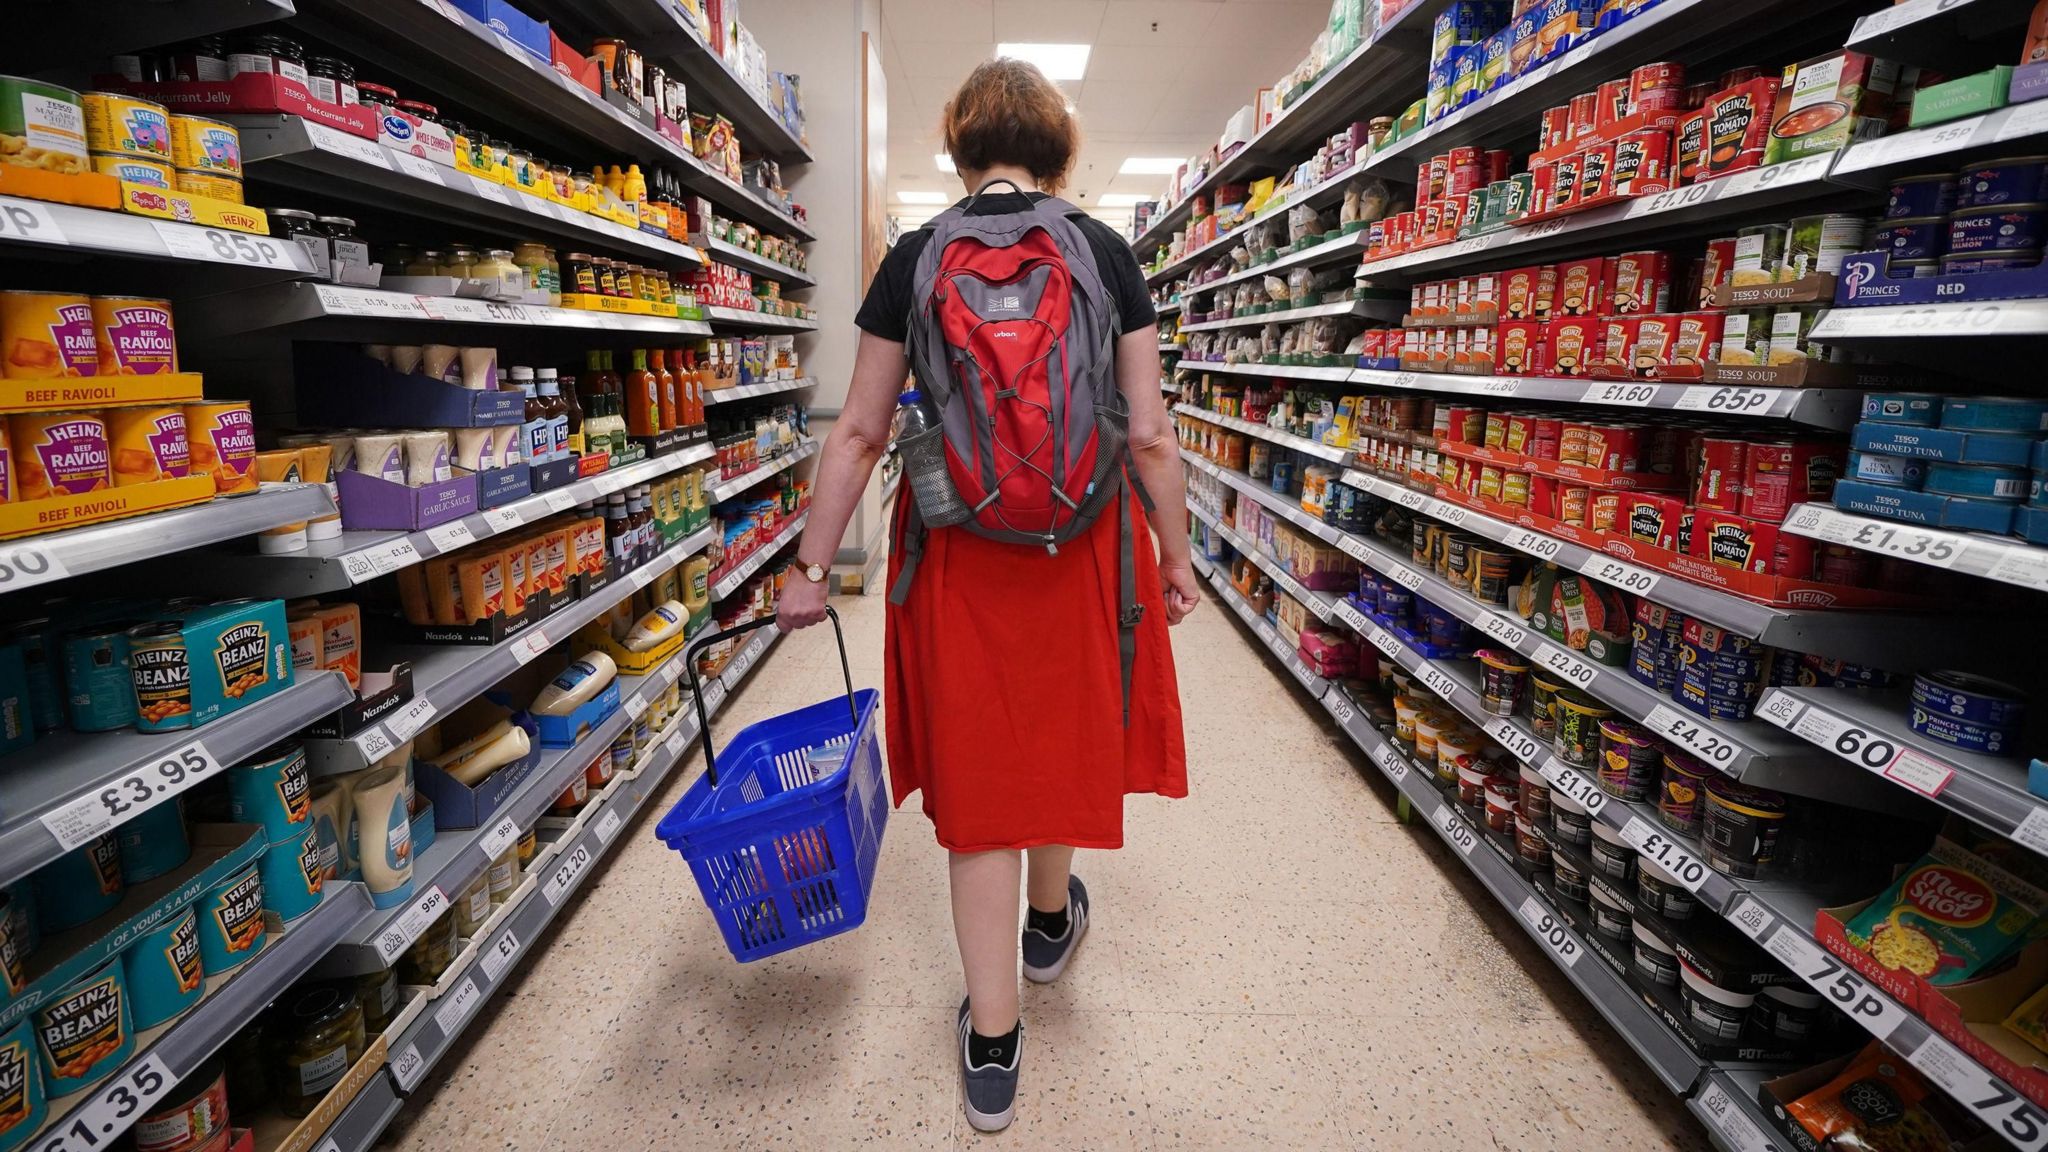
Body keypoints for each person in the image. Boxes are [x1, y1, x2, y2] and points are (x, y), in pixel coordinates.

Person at [774, 57, 1197, 1133]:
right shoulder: (1104, 251)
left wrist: (811, 567)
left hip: (956, 547)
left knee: (982, 778)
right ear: (1057, 149)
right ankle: (1049, 928)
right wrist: (1178, 555)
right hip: (1085, 543)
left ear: (958, 148)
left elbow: (860, 431)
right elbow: (1147, 433)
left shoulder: (913, 257)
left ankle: (994, 1046)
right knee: (1059, 735)